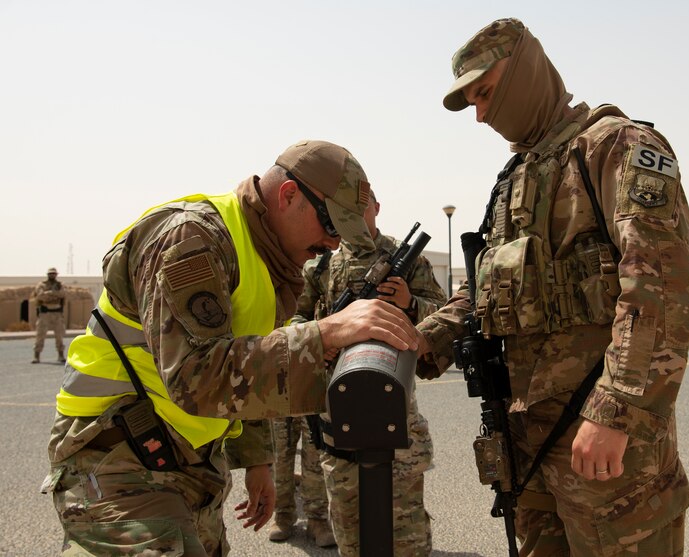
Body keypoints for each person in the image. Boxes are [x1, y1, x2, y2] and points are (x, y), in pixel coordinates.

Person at [39, 139, 420, 557]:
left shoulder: (267, 257)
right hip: (117, 458)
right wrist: (324, 333)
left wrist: (256, 461)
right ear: (289, 195)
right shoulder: (190, 238)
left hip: (184, 460)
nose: (333, 244)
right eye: (331, 227)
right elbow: (196, 375)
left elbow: (245, 357)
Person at [415, 18, 689, 556]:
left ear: (524, 72)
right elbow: (485, 290)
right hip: (532, 448)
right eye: (472, 102)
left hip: (605, 448)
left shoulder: (615, 147)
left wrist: (615, 411)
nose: (481, 115)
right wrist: (425, 339)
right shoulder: (514, 178)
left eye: (486, 92)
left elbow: (659, 285)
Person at [293, 188, 447, 556]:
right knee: (351, 534)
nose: (356, 216)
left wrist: (409, 303)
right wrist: (322, 336)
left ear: (377, 208)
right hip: (338, 411)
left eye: (362, 208)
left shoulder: (407, 260)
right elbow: (294, 320)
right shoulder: (322, 262)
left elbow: (445, 318)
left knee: (406, 536)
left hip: (393, 409)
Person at [267, 415, 335, 547]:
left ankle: (317, 518)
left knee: (315, 452)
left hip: (313, 398)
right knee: (280, 452)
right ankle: (283, 513)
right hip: (281, 399)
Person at [31, 267, 67, 363]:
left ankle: (61, 355)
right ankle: (36, 356)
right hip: (45, 313)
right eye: (50, 274)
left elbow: (62, 294)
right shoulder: (41, 285)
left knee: (59, 335)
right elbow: (40, 296)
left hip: (57, 313)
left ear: (56, 275)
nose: (52, 275)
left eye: (54, 274)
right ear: (48, 274)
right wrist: (54, 294)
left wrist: (49, 293)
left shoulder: (60, 285)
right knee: (40, 335)